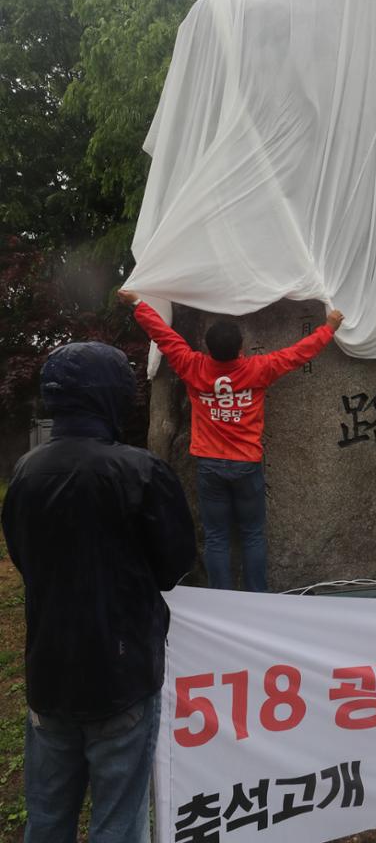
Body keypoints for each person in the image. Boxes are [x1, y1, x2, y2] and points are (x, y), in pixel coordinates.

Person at [1, 341, 196, 843]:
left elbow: (23, 556)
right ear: (112, 396)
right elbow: (173, 565)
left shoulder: (25, 471)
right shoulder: (142, 471)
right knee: (119, 819)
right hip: (121, 673)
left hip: (48, 671)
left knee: (46, 816)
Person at [118, 290, 344, 591]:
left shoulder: (192, 366)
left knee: (216, 537)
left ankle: (222, 603)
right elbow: (297, 354)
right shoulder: (258, 369)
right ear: (241, 348)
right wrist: (328, 327)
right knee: (252, 534)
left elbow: (163, 335)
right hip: (246, 465)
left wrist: (137, 303)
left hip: (209, 466)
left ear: (209, 349)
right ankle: (256, 599)